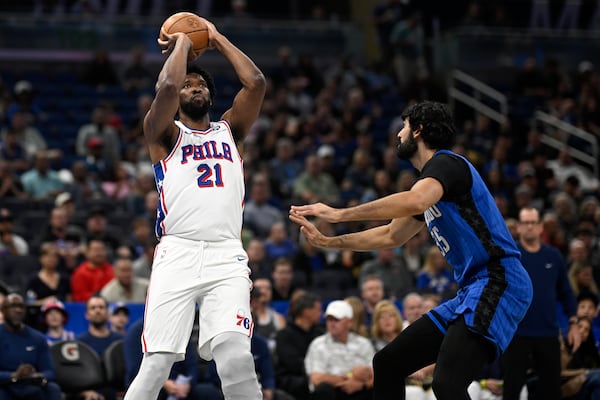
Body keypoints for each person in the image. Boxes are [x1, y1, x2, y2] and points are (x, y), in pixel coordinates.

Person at [289, 101, 533, 400]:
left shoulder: (447, 164)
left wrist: (338, 214)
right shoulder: (430, 186)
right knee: (388, 363)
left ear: (418, 130)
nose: (397, 135)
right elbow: (392, 234)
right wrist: (331, 242)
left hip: (499, 279)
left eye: (403, 128)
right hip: (472, 288)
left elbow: (415, 202)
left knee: (447, 383)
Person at [123, 15, 266, 400]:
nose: (193, 87)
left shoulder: (229, 130)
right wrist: (183, 42)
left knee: (236, 356)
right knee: (156, 364)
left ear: (210, 96)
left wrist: (216, 37)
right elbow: (168, 83)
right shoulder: (164, 133)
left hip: (225, 253)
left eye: (201, 84)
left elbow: (256, 83)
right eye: (189, 84)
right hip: (178, 251)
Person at [501, 207, 581, 400]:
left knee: (552, 391)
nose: (530, 227)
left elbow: (566, 292)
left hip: (547, 333)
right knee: (511, 390)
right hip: (516, 334)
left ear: (540, 227)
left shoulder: (554, 256)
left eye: (533, 222)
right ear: (518, 227)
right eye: (525, 223)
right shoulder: (510, 257)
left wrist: (573, 322)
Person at [304, 300, 375, 400]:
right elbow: (316, 379)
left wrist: (362, 385)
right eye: (329, 319)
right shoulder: (318, 344)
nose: (332, 324)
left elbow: (376, 375)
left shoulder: (363, 344)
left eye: (336, 320)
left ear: (349, 322)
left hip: (360, 391)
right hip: (333, 393)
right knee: (323, 389)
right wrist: (352, 377)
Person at [0, 293, 62, 400]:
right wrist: (14, 375)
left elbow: (50, 372)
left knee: (53, 388)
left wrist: (37, 376)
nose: (18, 310)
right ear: (3, 310)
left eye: (21, 306)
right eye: (13, 306)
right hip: (5, 385)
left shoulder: (38, 338)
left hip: (30, 385)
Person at [274, 291, 324, 400]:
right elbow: (293, 364)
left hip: (317, 375)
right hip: (292, 379)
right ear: (307, 311)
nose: (321, 314)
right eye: (318, 310)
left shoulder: (320, 333)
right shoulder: (284, 335)